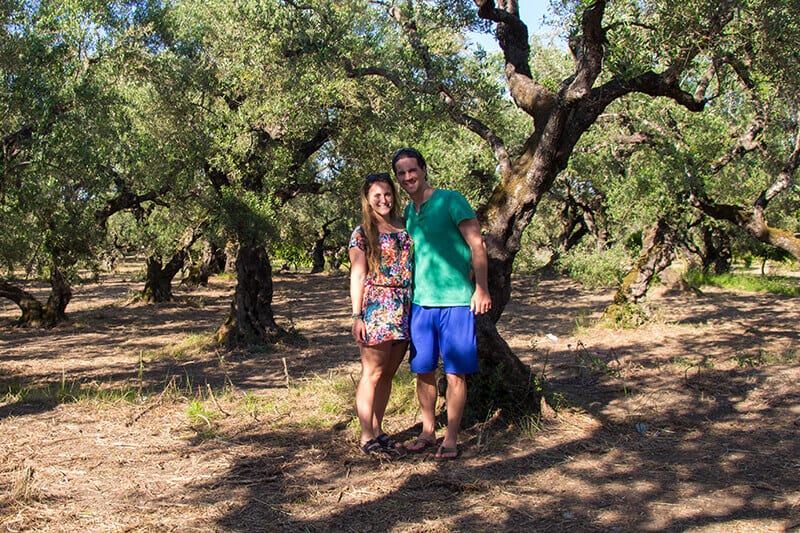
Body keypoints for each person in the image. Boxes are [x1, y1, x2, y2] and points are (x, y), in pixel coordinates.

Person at [391, 148, 492, 460]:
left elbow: (477, 243)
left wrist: (482, 289)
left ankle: (451, 437)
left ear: (424, 169)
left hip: (457, 302)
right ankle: (427, 431)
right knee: (422, 370)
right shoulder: (408, 212)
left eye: (412, 170)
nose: (408, 177)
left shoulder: (451, 199)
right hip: (421, 304)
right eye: (402, 173)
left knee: (454, 373)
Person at [348, 172, 413, 459]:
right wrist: (357, 315)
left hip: (405, 305)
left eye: (387, 194)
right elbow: (357, 274)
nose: (383, 200)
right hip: (377, 306)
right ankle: (366, 436)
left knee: (388, 373)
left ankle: (377, 428)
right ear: (367, 199)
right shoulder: (362, 232)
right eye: (377, 195)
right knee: (372, 373)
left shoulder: (405, 226)